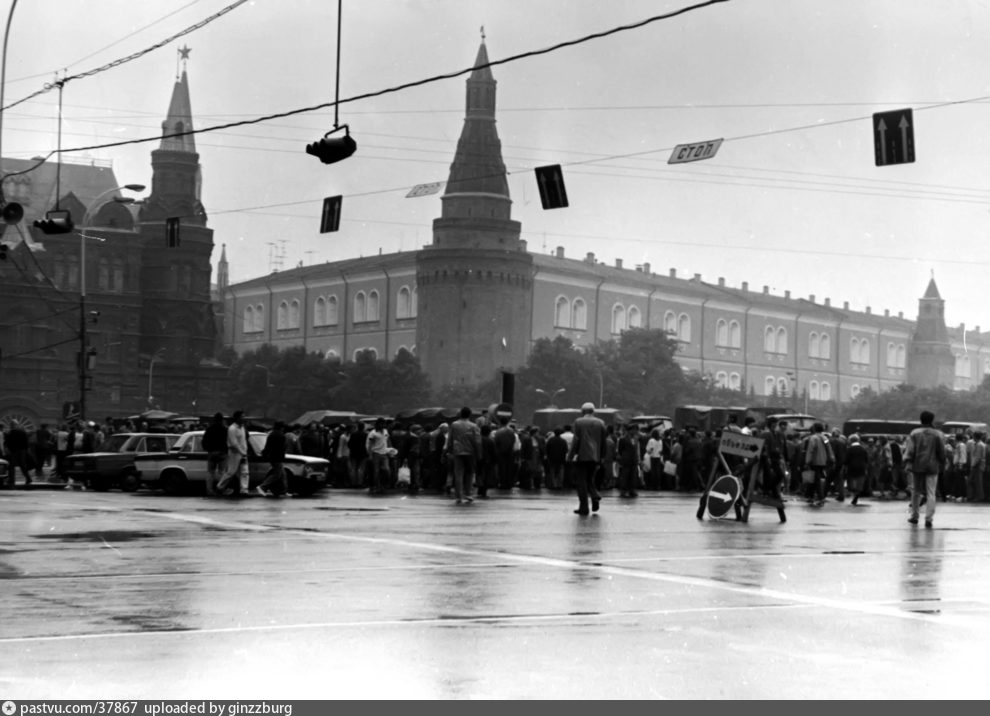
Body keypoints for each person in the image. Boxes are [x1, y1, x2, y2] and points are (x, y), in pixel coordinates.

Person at [904, 410, 946, 528]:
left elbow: (910, 451)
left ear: (920, 419)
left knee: (916, 492)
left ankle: (914, 516)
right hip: (932, 467)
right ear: (932, 420)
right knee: (931, 493)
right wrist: (943, 463)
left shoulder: (914, 433)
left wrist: (908, 462)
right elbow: (942, 452)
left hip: (917, 466)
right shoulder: (938, 434)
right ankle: (929, 518)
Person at [567, 402, 607, 515]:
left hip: (582, 456)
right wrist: (602, 456)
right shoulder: (601, 423)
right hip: (595, 457)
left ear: (583, 411)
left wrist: (570, 456)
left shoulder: (578, 422)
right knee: (590, 479)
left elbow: (576, 440)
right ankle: (594, 496)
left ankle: (584, 507)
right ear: (593, 411)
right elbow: (604, 442)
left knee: (581, 482)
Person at [445, 406, 481, 504]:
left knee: (458, 474)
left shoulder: (454, 424)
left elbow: (450, 439)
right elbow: (477, 441)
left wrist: (449, 450)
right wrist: (478, 453)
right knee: (469, 473)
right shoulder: (474, 426)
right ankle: (469, 494)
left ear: (460, 414)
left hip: (457, 452)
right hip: (470, 453)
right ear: (470, 415)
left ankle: (458, 496)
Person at [217, 410, 249, 497]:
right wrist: (242, 452)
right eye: (242, 417)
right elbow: (234, 443)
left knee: (244, 472)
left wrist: (245, 451)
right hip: (234, 453)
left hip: (243, 453)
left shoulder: (242, 427)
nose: (244, 418)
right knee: (231, 472)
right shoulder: (232, 429)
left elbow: (244, 441)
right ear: (237, 418)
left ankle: (244, 490)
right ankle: (220, 487)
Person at [804, 422, 831, 507]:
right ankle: (811, 496)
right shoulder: (825, 438)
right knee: (815, 479)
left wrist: (807, 461)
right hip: (823, 461)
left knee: (816, 480)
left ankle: (820, 498)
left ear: (814, 429)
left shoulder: (813, 438)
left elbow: (810, 450)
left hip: (815, 461)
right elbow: (829, 448)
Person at [258, 421, 288, 496]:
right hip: (277, 457)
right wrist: (282, 457)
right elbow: (282, 448)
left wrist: (264, 453)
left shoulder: (271, 434)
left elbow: (267, 446)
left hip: (272, 457)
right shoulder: (281, 435)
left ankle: (284, 491)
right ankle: (262, 486)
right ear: (281, 427)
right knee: (277, 474)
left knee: (282, 474)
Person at [202, 412, 228, 496]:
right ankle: (221, 489)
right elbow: (228, 441)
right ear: (222, 420)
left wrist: (208, 449)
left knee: (210, 472)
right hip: (222, 452)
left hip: (212, 452)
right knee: (222, 472)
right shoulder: (225, 429)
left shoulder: (209, 429)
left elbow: (204, 441)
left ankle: (209, 490)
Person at [366, 419, 391, 495]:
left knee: (386, 469)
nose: (383, 425)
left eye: (383, 424)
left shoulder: (386, 431)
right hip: (375, 453)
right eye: (381, 424)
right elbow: (370, 445)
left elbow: (388, 441)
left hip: (384, 453)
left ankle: (383, 484)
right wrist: (370, 455)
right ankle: (377, 486)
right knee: (376, 471)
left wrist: (390, 450)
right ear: (378, 424)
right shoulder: (373, 433)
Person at [4, 420, 31, 488]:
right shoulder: (22, 432)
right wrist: (27, 450)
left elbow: (7, 442)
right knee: (23, 465)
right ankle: (28, 478)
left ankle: (11, 480)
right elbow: (26, 442)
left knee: (11, 466)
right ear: (17, 425)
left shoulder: (9, 433)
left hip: (14, 451)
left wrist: (8, 450)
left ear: (11, 425)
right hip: (22, 451)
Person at [845, 434, 870, 506]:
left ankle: (854, 493)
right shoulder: (863, 449)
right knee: (860, 482)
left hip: (851, 468)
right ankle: (857, 494)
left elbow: (846, 460)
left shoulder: (849, 449)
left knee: (852, 483)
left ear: (851, 441)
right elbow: (866, 459)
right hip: (862, 467)